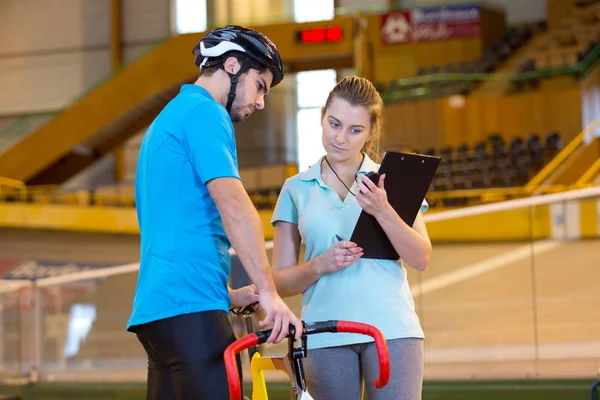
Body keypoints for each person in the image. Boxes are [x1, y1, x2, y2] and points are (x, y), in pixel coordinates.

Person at [126, 25, 302, 400]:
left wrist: (228, 294)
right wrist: (269, 293)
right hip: (191, 309)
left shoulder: (169, 119)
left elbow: (177, 221)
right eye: (260, 86)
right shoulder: (205, 114)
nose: (260, 102)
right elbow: (234, 206)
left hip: (159, 314)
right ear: (233, 66)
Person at [270, 76, 432, 400]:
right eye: (334, 124)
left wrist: (383, 210)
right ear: (321, 117)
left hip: (393, 330)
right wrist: (319, 265)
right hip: (323, 332)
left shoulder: (391, 181)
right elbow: (281, 283)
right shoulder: (295, 188)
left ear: (371, 132)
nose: (340, 137)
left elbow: (421, 258)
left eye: (355, 130)